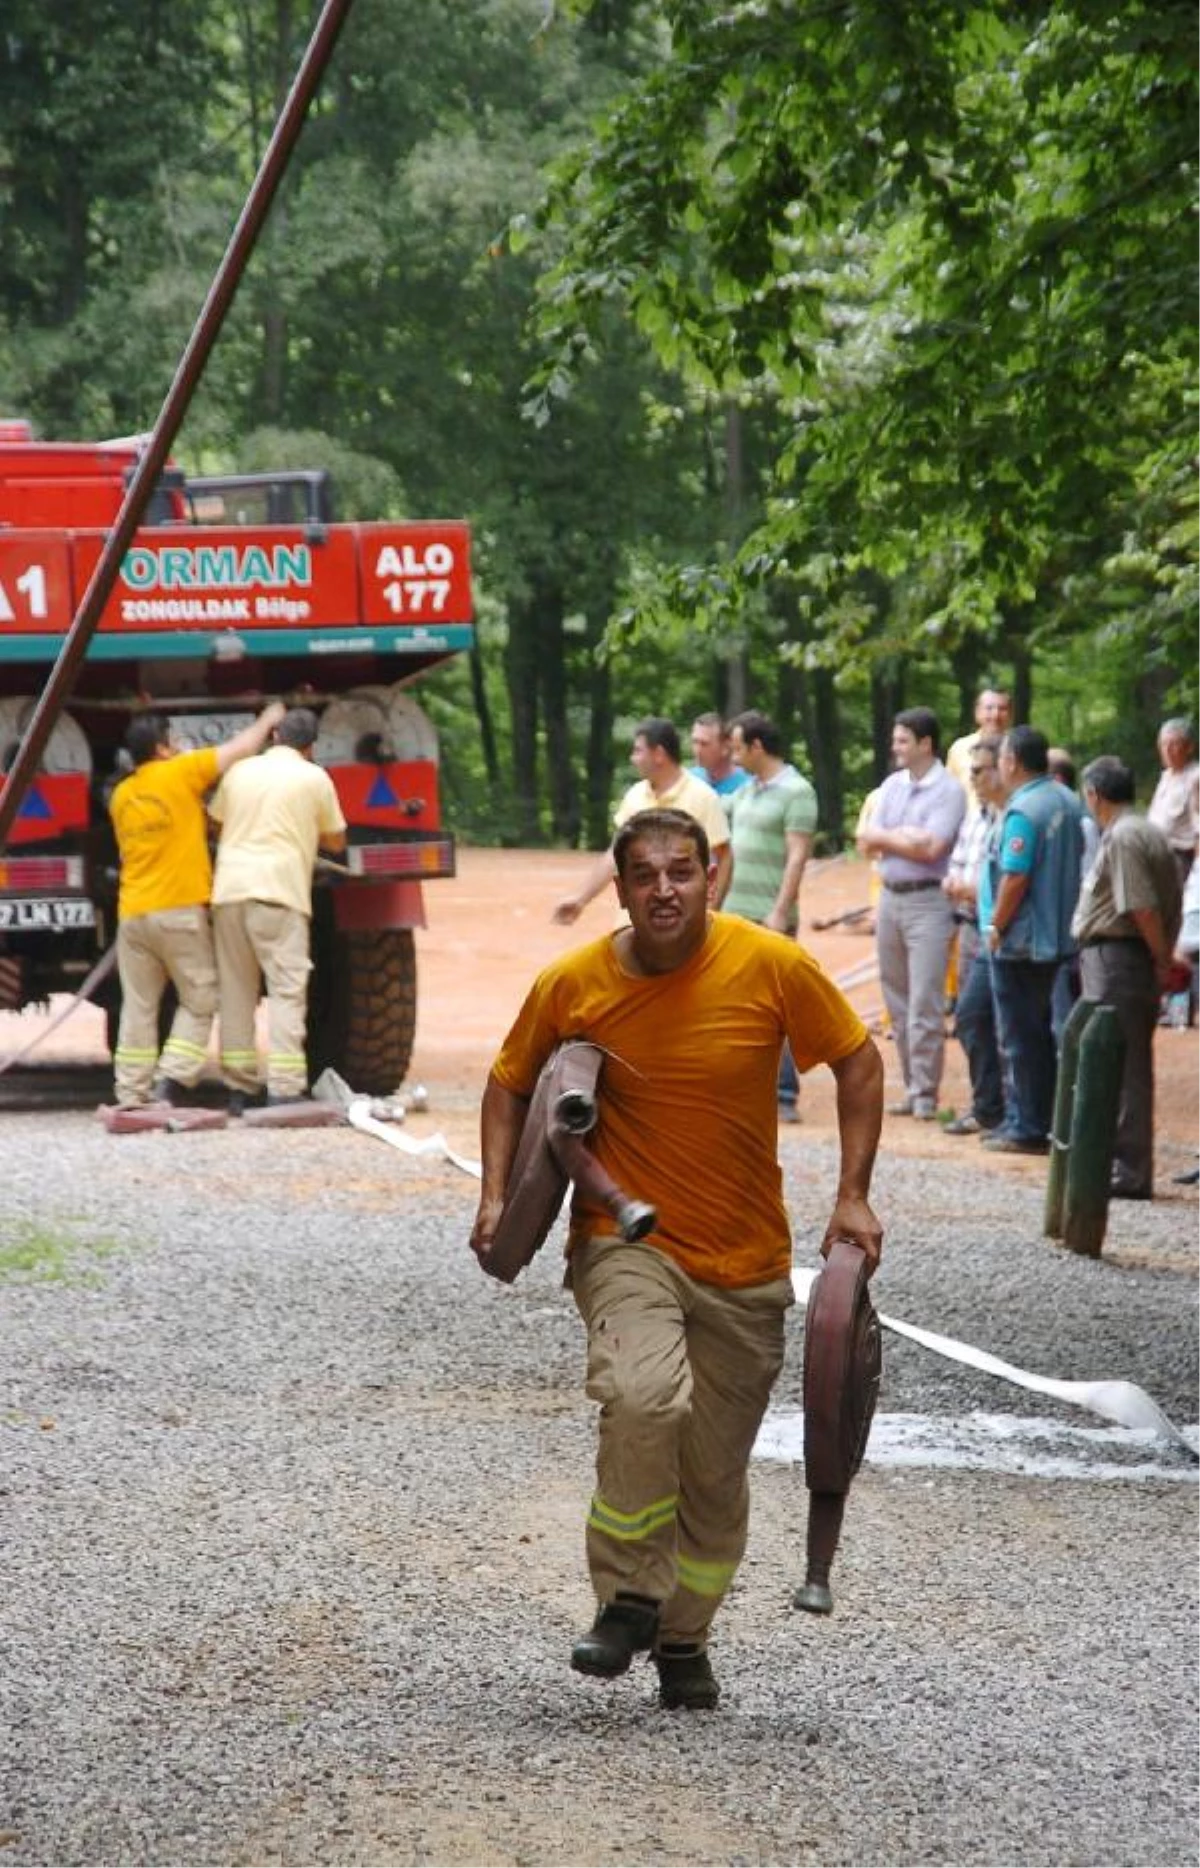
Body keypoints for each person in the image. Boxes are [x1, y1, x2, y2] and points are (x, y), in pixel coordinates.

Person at [472, 808, 883, 1712]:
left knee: (713, 1476)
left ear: (711, 879)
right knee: (643, 1395)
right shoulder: (572, 981)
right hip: (627, 1244)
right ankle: (625, 1598)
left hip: (748, 1262)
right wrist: (495, 1195)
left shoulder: (771, 965)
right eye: (646, 874)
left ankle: (684, 1634)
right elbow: (509, 1082)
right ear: (618, 891)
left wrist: (852, 1192)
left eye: (683, 871)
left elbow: (856, 1062)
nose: (666, 888)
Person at [108, 701, 287, 1108]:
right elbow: (238, 750)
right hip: (178, 912)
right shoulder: (182, 773)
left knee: (138, 1008)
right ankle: (171, 1078)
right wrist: (268, 719)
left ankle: (130, 1092)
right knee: (201, 997)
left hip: (133, 915)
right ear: (163, 747)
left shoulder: (121, 796)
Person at [209, 707, 347, 1109]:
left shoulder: (239, 772)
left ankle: (239, 1088)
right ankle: (284, 1088)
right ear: (311, 747)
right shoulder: (314, 777)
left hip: (230, 891)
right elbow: (336, 842)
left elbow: (215, 823)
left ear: (274, 737)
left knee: (236, 990)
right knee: (287, 990)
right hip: (280, 893)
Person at [1074, 756, 1182, 1199]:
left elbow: (1140, 906)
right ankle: (1119, 1162)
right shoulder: (1141, 828)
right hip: (1119, 958)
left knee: (1122, 1064)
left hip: (1120, 960)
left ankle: (1129, 1170)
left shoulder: (1124, 835)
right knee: (1118, 1061)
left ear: (1094, 795)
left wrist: (1161, 959)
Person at [980, 726, 1085, 1155]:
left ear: (1013, 761)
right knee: (1042, 1033)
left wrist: (996, 928)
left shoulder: (1024, 810)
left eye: (1003, 756)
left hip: (1021, 941)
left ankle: (1026, 1125)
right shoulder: (1068, 799)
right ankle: (1044, 1119)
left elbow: (1016, 875)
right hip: (1059, 937)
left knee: (1019, 1035)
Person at [856, 707, 965, 1119]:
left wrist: (889, 838)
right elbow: (866, 841)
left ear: (925, 744)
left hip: (929, 902)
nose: (895, 747)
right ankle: (910, 1085)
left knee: (925, 1000)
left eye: (903, 740)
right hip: (890, 897)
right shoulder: (890, 786)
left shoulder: (949, 791)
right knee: (896, 997)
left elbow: (934, 848)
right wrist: (905, 839)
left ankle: (925, 1092)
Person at [722, 710, 820, 1122]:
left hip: (768, 916)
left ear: (757, 746)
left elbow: (798, 854)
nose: (733, 754)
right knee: (732, 1002)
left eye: (738, 746)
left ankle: (783, 1094)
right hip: (734, 914)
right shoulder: (746, 792)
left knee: (773, 1006)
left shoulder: (797, 791)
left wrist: (780, 910)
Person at [552, 718, 731, 923]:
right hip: (634, 923)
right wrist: (581, 899)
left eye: (638, 751)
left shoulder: (703, 797)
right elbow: (614, 855)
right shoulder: (635, 796)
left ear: (659, 754)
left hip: (683, 925)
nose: (633, 758)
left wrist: (710, 910)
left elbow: (723, 857)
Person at [941, 735, 1005, 1135]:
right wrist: (959, 885)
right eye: (971, 771)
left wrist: (968, 887)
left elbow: (996, 882)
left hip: (997, 931)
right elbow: (958, 869)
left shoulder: (1010, 816)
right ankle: (988, 1106)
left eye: (980, 770)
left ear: (1004, 768)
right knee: (972, 1018)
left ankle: (1006, 1109)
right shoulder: (975, 814)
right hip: (968, 925)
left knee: (989, 1019)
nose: (974, 778)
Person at [1146, 718, 1200, 891]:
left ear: (1189, 747)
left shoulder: (1196, 778)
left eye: (1174, 744)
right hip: (1157, 856)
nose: (1167, 750)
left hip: (1181, 860)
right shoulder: (1166, 777)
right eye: (1163, 744)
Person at [945, 687, 1013, 797]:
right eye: (989, 708)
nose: (996, 715)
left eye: (1002, 709)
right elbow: (948, 791)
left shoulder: (1017, 748)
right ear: (977, 712)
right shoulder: (959, 748)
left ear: (1010, 715)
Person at [688, 711, 751, 805]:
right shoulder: (689, 779)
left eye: (704, 744)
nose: (697, 750)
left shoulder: (746, 786)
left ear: (725, 748)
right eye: (695, 742)